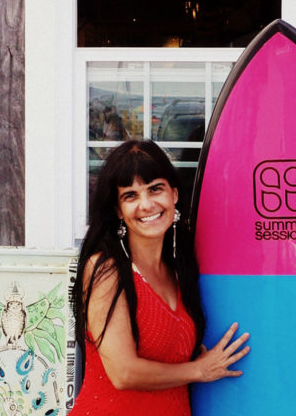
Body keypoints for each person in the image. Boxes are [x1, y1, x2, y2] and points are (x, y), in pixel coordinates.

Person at [70, 139, 250, 416]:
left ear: (174, 194)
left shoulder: (179, 270)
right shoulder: (106, 269)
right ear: (118, 210)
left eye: (155, 189)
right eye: (130, 196)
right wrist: (199, 370)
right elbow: (123, 373)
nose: (146, 204)